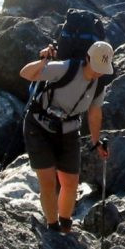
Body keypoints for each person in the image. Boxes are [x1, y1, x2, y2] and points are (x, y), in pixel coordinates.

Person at [19, 40, 113, 233]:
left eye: (102, 69)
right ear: (87, 58)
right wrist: (43, 61)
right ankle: (52, 227)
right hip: (39, 126)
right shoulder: (65, 68)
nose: (98, 72)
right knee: (47, 180)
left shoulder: (99, 84)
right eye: (96, 67)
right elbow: (25, 74)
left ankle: (65, 223)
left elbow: (95, 113)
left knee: (70, 182)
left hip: (69, 131)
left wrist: (96, 142)